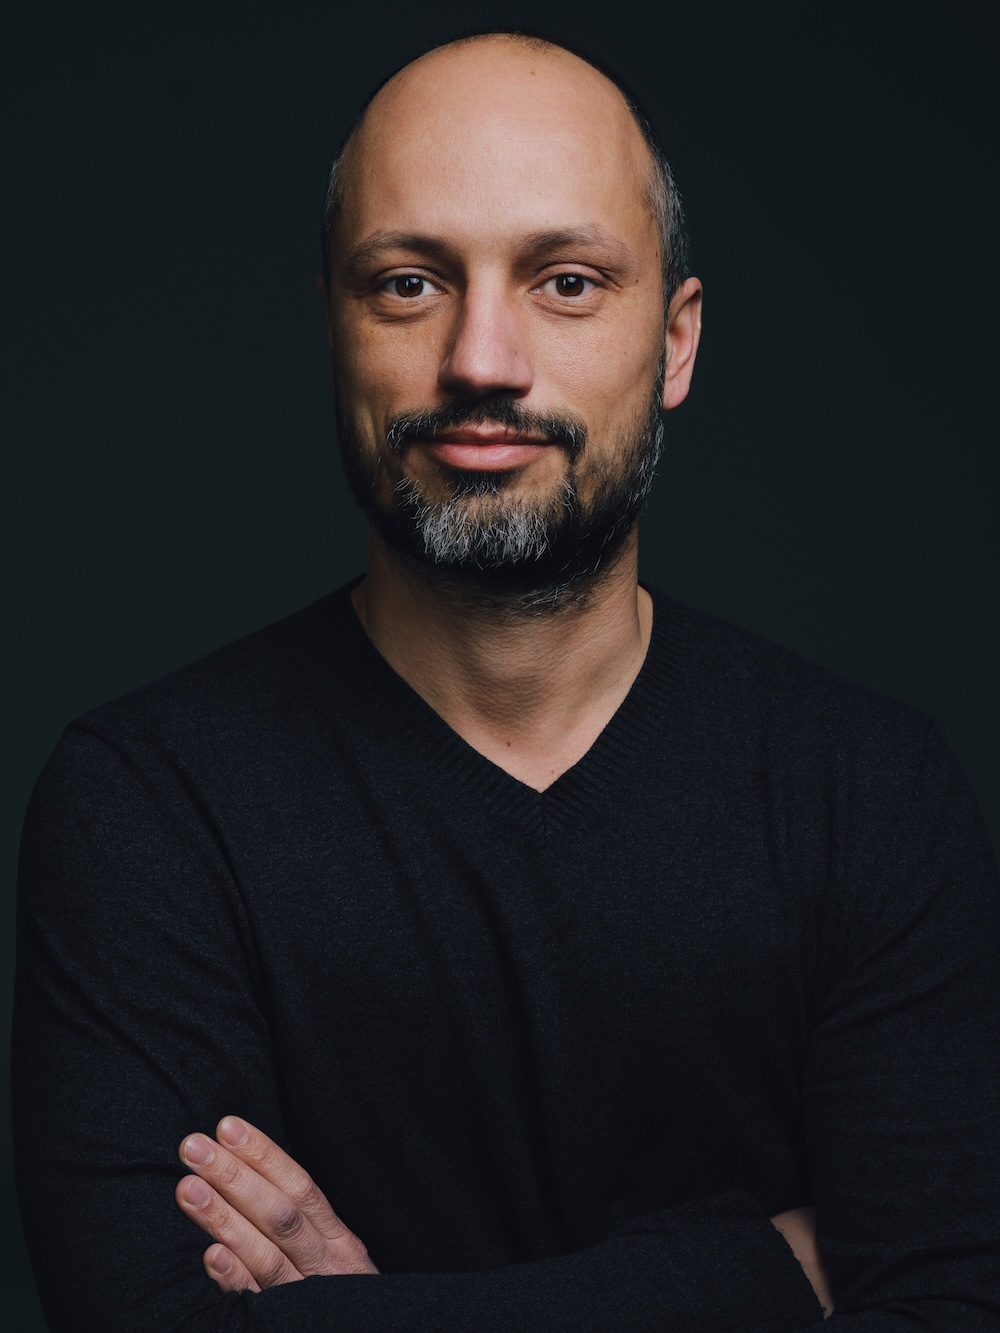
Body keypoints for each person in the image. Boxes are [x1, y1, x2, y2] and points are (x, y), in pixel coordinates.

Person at [11, 30, 1000, 1332]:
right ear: (334, 331)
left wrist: (379, 1310)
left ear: (680, 340)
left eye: (568, 281)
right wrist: (768, 1274)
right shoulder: (143, 808)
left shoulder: (871, 795)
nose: (483, 357)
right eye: (411, 282)